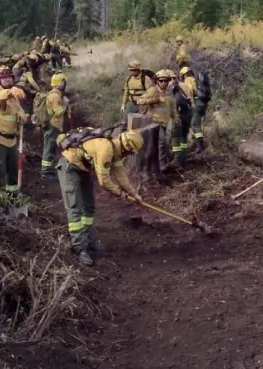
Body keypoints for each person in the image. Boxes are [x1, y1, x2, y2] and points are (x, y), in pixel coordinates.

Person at [57, 128, 144, 266]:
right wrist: (120, 194)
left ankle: (88, 240)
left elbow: (121, 176)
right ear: (125, 146)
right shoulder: (106, 149)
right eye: (129, 152)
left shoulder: (116, 153)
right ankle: (80, 248)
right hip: (69, 167)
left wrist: (134, 194)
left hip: (82, 169)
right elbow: (104, 181)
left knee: (89, 207)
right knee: (75, 208)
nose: (128, 155)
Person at [0, 66, 28, 193]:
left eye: (9, 78)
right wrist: (11, 90)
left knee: (12, 173)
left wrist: (22, 117)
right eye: (4, 78)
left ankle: (13, 199)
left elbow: (19, 112)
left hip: (12, 141)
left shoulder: (13, 97)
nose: (7, 80)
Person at [137, 69, 179, 174]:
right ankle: (157, 166)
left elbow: (172, 107)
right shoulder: (153, 91)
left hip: (164, 122)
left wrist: (176, 117)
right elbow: (140, 101)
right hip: (153, 123)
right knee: (160, 143)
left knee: (163, 144)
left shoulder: (169, 93)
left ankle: (160, 165)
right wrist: (153, 100)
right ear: (157, 81)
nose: (163, 83)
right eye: (161, 80)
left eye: (165, 81)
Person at [40, 73, 70, 179]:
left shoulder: (55, 94)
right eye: (63, 82)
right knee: (49, 148)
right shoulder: (55, 96)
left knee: (51, 148)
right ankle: (46, 172)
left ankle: (49, 169)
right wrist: (65, 105)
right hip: (53, 126)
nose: (64, 84)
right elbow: (58, 112)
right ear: (60, 83)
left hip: (54, 125)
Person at [181, 66, 210, 151]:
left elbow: (190, 90)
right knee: (197, 123)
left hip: (197, 103)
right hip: (203, 103)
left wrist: (191, 103)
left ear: (183, 75)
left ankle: (200, 145)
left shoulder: (188, 79)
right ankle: (198, 142)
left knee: (194, 124)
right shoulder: (196, 80)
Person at [168, 71, 193, 166]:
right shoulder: (184, 85)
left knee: (176, 137)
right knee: (183, 137)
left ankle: (177, 160)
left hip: (179, 115)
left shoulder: (171, 87)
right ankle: (183, 158)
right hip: (188, 114)